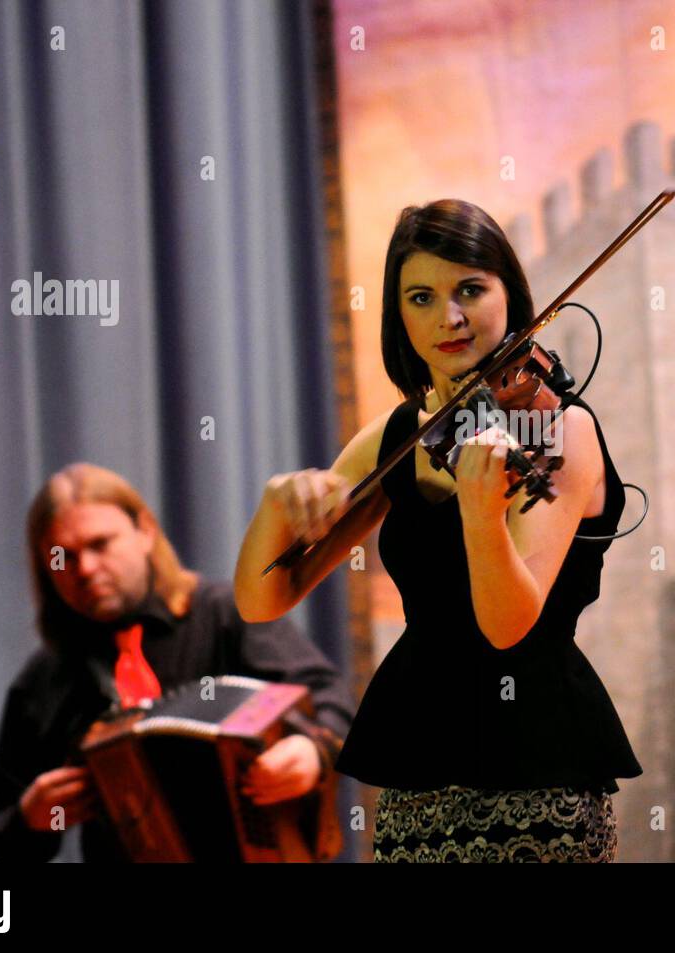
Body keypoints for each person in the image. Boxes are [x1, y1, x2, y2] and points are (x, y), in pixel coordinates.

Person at [234, 198, 641, 862]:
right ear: (400, 315)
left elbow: (509, 625)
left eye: (470, 290)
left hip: (537, 774)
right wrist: (278, 506)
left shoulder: (562, 430)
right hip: (415, 771)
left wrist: (482, 516)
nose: (447, 318)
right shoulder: (397, 436)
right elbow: (263, 597)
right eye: (420, 297)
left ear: (511, 293)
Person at [0, 463, 354, 862]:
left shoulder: (226, 616)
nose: (86, 569)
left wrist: (310, 750)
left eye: (100, 544)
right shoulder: (43, 681)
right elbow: (5, 838)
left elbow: (330, 696)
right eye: (64, 557)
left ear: (144, 531)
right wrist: (33, 816)